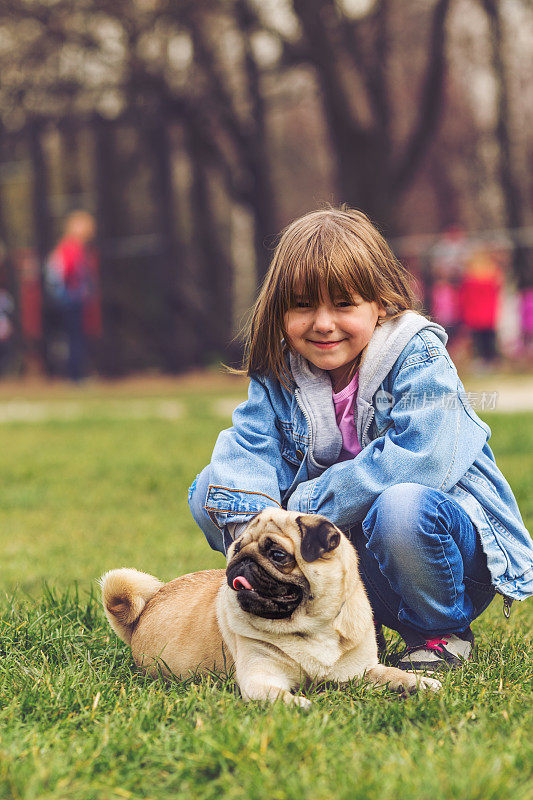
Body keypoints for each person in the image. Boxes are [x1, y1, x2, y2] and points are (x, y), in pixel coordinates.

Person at [188, 208, 533, 673]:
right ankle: (285, 602)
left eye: (344, 305)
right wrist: (265, 537)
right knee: (212, 487)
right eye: (304, 305)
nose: (323, 323)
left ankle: (439, 631)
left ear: (382, 305)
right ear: (279, 310)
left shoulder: (419, 355)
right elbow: (247, 449)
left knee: (401, 506)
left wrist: (302, 507)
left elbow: (423, 460)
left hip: (438, 555)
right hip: (353, 564)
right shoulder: (280, 369)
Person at [46, 210, 101, 381]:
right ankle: (75, 376)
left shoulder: (72, 247)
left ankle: (76, 374)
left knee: (75, 336)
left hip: (71, 298)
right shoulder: (71, 248)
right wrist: (73, 292)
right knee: (74, 337)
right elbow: (65, 273)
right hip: (71, 299)